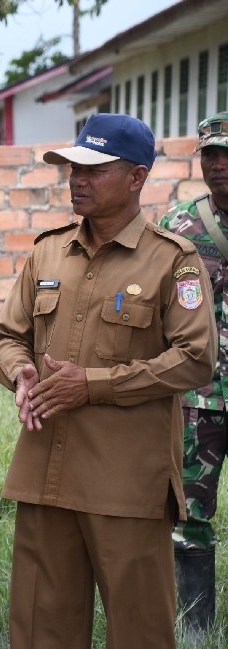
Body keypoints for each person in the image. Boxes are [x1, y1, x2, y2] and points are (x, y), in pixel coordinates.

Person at [0, 113, 218, 648]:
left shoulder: (173, 260)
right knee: (40, 631)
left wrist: (91, 385)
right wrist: (19, 372)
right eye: (73, 168)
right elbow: (7, 334)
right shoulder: (47, 250)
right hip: (45, 473)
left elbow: (196, 359)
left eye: (94, 170)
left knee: (139, 631)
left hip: (125, 482)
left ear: (137, 178)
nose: (77, 179)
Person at [158, 110, 228, 637]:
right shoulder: (179, 226)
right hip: (198, 400)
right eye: (212, 155)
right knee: (190, 519)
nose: (220, 166)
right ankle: (197, 629)